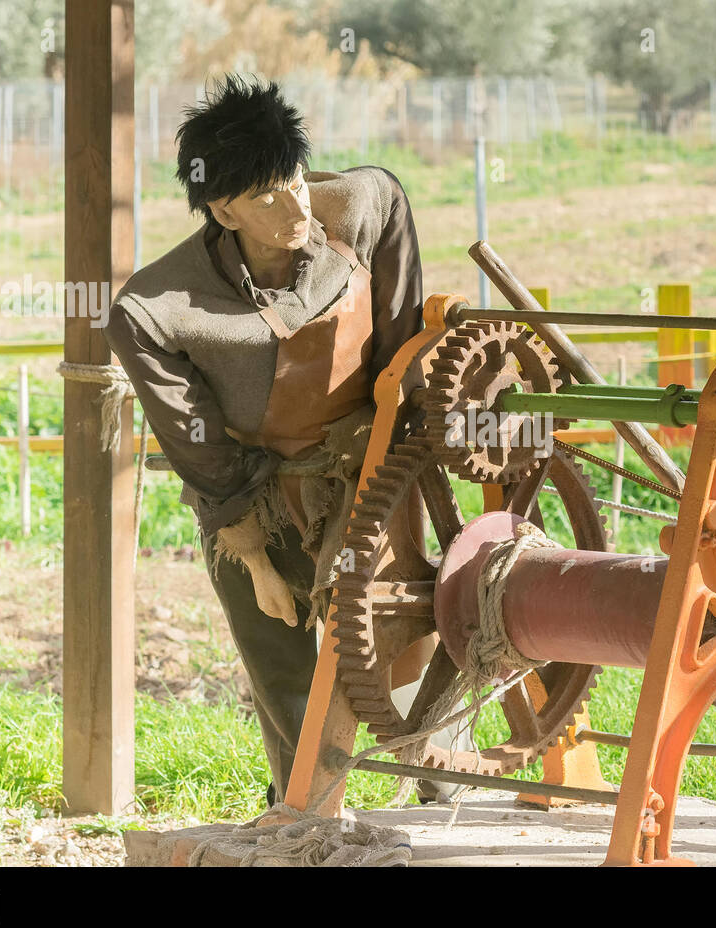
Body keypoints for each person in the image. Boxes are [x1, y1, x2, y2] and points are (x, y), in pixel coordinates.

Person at [102, 74, 460, 807]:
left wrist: (409, 418)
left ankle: (446, 783)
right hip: (251, 492)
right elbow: (196, 443)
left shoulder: (357, 208)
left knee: (406, 632)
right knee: (284, 665)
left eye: (295, 178)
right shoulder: (154, 308)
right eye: (265, 195)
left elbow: (399, 319)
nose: (293, 203)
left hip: (369, 471)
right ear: (222, 207)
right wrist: (257, 556)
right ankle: (303, 811)